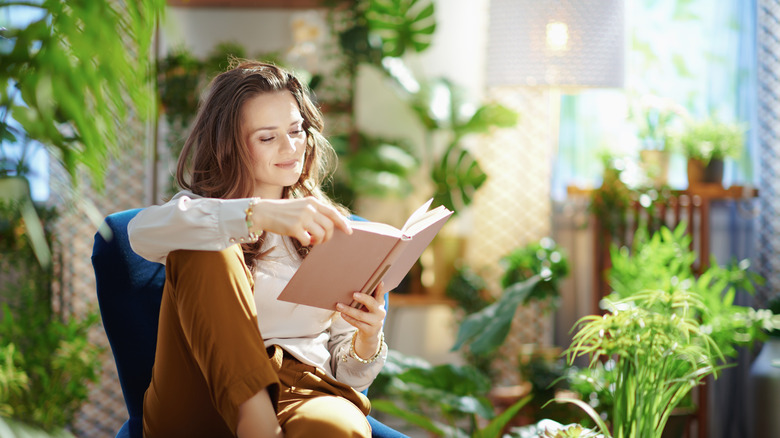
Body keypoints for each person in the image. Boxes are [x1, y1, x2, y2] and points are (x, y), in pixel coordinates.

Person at [128, 60, 389, 438]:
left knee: (335, 427)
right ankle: (256, 421)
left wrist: (366, 338)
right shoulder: (200, 212)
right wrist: (258, 214)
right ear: (230, 146)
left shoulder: (330, 227)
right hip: (198, 391)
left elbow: (348, 372)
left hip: (302, 389)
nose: (290, 148)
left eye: (297, 130)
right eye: (268, 137)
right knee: (206, 245)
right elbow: (139, 233)